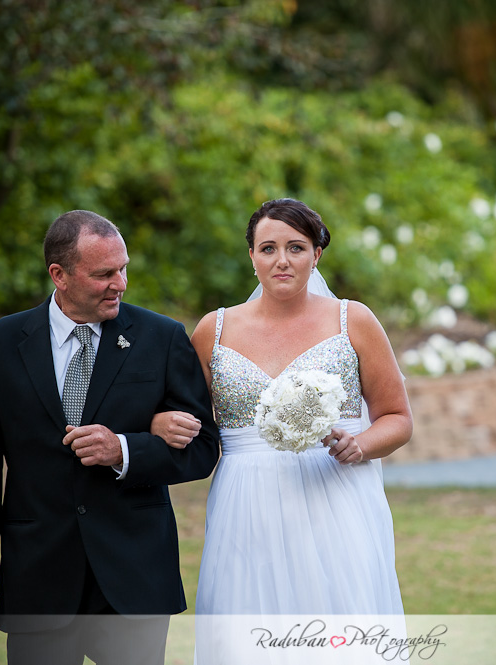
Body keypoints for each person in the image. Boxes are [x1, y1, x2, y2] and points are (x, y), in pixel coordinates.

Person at [0, 210, 220, 665]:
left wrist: (126, 449)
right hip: (38, 576)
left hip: (134, 577)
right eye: (104, 274)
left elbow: (202, 449)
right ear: (59, 274)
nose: (121, 283)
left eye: (123, 268)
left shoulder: (163, 338)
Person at [151, 198, 413, 661]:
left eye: (296, 247)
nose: (282, 260)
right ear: (251, 256)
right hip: (244, 503)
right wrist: (157, 421)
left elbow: (397, 418)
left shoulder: (354, 321)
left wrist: (360, 443)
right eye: (268, 248)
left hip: (336, 495)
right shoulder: (214, 329)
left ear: (317, 254)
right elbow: (182, 414)